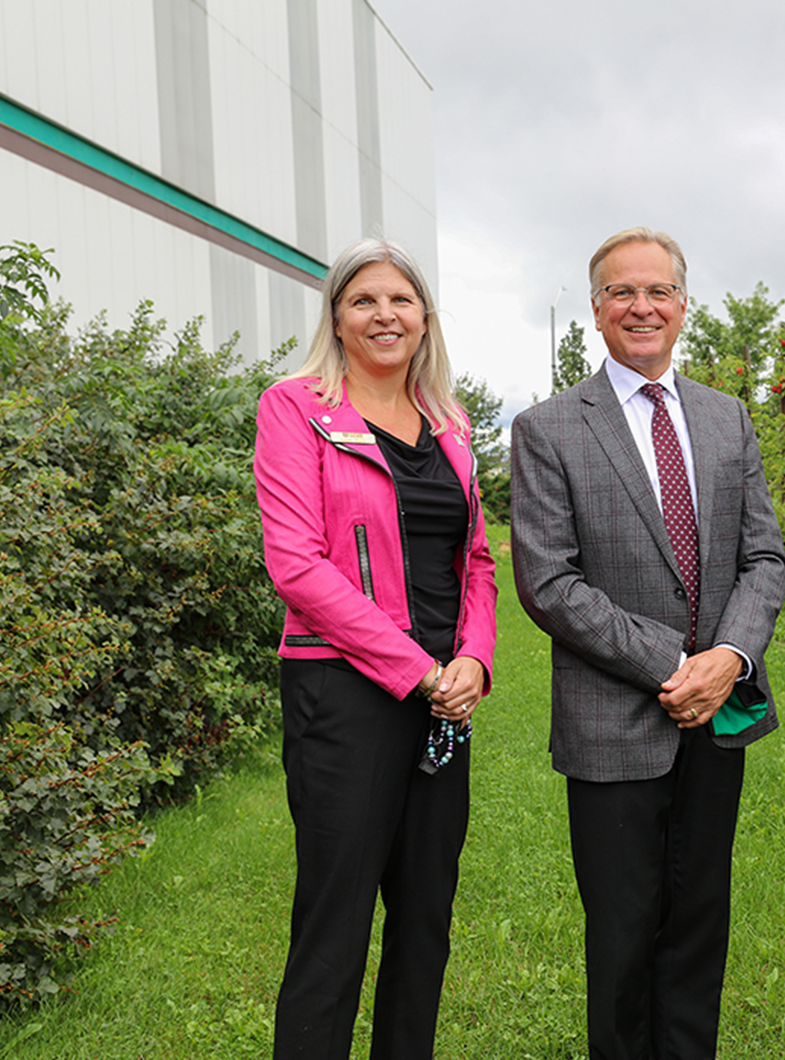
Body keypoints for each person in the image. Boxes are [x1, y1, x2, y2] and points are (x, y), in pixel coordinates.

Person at [510, 227, 785, 1060]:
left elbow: (765, 557)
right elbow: (549, 583)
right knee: (624, 942)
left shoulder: (726, 418)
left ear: (682, 304)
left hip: (719, 717)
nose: (642, 306)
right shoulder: (550, 428)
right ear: (596, 311)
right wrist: (674, 664)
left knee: (700, 927)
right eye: (622, 293)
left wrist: (729, 658)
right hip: (614, 727)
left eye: (658, 291)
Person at [255, 238, 498, 1058]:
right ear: (336, 317)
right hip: (345, 692)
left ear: (425, 319)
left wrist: (473, 660)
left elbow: (476, 560)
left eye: (401, 300)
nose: (384, 314)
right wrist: (416, 669)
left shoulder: (452, 423)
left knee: (426, 918)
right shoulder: (295, 408)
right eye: (364, 300)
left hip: (443, 695)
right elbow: (296, 564)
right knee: (336, 922)